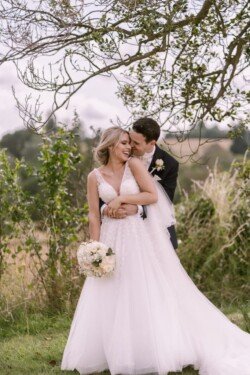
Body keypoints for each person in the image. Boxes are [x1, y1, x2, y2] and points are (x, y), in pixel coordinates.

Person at [61, 127, 250, 375]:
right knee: (110, 291)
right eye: (123, 143)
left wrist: (121, 201)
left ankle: (151, 349)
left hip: (137, 238)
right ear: (109, 146)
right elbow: (93, 214)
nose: (128, 147)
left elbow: (152, 196)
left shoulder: (135, 166)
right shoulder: (94, 176)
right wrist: (95, 247)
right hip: (111, 237)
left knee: (142, 289)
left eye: (130, 143)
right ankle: (114, 351)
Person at [102, 117, 179, 249]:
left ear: (152, 143)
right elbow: (104, 185)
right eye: (130, 140)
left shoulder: (170, 164)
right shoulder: (121, 154)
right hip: (122, 227)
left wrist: (139, 209)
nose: (130, 146)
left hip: (157, 229)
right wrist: (105, 209)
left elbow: (165, 200)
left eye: (136, 143)